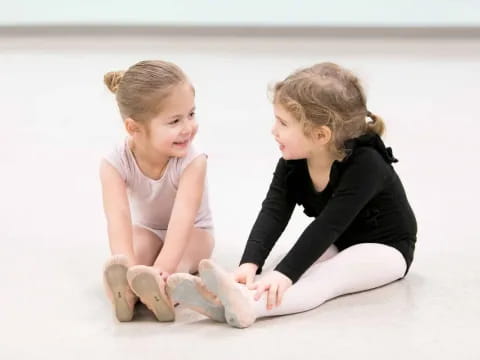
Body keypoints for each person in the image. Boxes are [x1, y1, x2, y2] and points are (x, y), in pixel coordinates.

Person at [167, 62, 417, 328]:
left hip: (385, 250)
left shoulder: (367, 165)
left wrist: (286, 274)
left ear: (320, 135)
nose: (273, 130)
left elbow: (327, 225)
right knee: (279, 270)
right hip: (340, 240)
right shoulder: (293, 161)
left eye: (283, 123)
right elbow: (274, 211)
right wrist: (250, 264)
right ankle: (231, 298)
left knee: (322, 278)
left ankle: (250, 308)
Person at [101, 60, 214, 322]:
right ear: (134, 128)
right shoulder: (113, 163)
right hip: (149, 229)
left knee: (181, 260)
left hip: (194, 231)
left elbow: (183, 218)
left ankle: (164, 289)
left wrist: (162, 269)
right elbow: (117, 219)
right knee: (134, 254)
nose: (188, 128)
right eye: (175, 120)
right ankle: (124, 294)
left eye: (191, 114)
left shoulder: (193, 162)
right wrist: (127, 265)